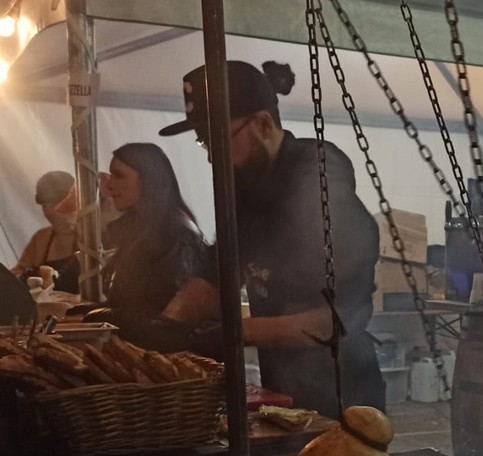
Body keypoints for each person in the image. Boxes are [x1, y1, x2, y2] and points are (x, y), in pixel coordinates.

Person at [159, 60, 384, 417]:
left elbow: (336, 321)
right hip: (281, 388)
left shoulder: (322, 189)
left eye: (218, 140)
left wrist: (237, 333)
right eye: (204, 142)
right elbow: (217, 274)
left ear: (263, 124)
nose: (213, 157)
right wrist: (166, 328)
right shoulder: (246, 190)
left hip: (343, 396)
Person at [82, 143, 216, 344]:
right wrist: (91, 313)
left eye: (119, 176)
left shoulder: (175, 235)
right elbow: (131, 303)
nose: (109, 185)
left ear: (148, 179)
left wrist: (103, 316)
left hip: (164, 356)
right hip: (135, 349)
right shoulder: (145, 229)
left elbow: (165, 319)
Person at [11, 171, 82, 293]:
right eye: (45, 206)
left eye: (59, 206)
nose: (53, 213)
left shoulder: (92, 235)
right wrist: (28, 278)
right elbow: (15, 276)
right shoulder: (41, 238)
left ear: (76, 203)